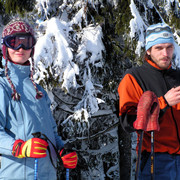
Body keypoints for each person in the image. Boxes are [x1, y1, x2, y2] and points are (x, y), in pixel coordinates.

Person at [0, 18, 78, 180]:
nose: (20, 48)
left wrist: (62, 150)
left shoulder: (38, 90)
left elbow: (51, 132)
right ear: (5, 47)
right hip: (17, 174)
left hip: (47, 174)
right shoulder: (3, 86)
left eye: (26, 42)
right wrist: (19, 148)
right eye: (13, 42)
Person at [118, 22, 180, 179]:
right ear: (148, 50)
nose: (165, 53)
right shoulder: (134, 77)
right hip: (156, 159)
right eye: (159, 48)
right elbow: (127, 122)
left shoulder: (178, 76)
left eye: (169, 47)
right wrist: (163, 102)